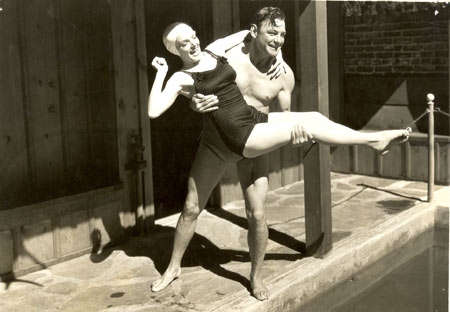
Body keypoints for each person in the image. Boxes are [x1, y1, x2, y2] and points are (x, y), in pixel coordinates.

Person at [149, 9, 410, 300]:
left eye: (283, 34)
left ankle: (256, 277)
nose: (278, 39)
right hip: (217, 141)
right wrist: (187, 98)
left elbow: (285, 117)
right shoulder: (220, 58)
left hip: (252, 129)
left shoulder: (275, 73)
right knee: (190, 208)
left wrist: (295, 135)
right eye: (272, 33)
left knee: (260, 209)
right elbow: (170, 101)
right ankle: (173, 267)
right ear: (255, 32)